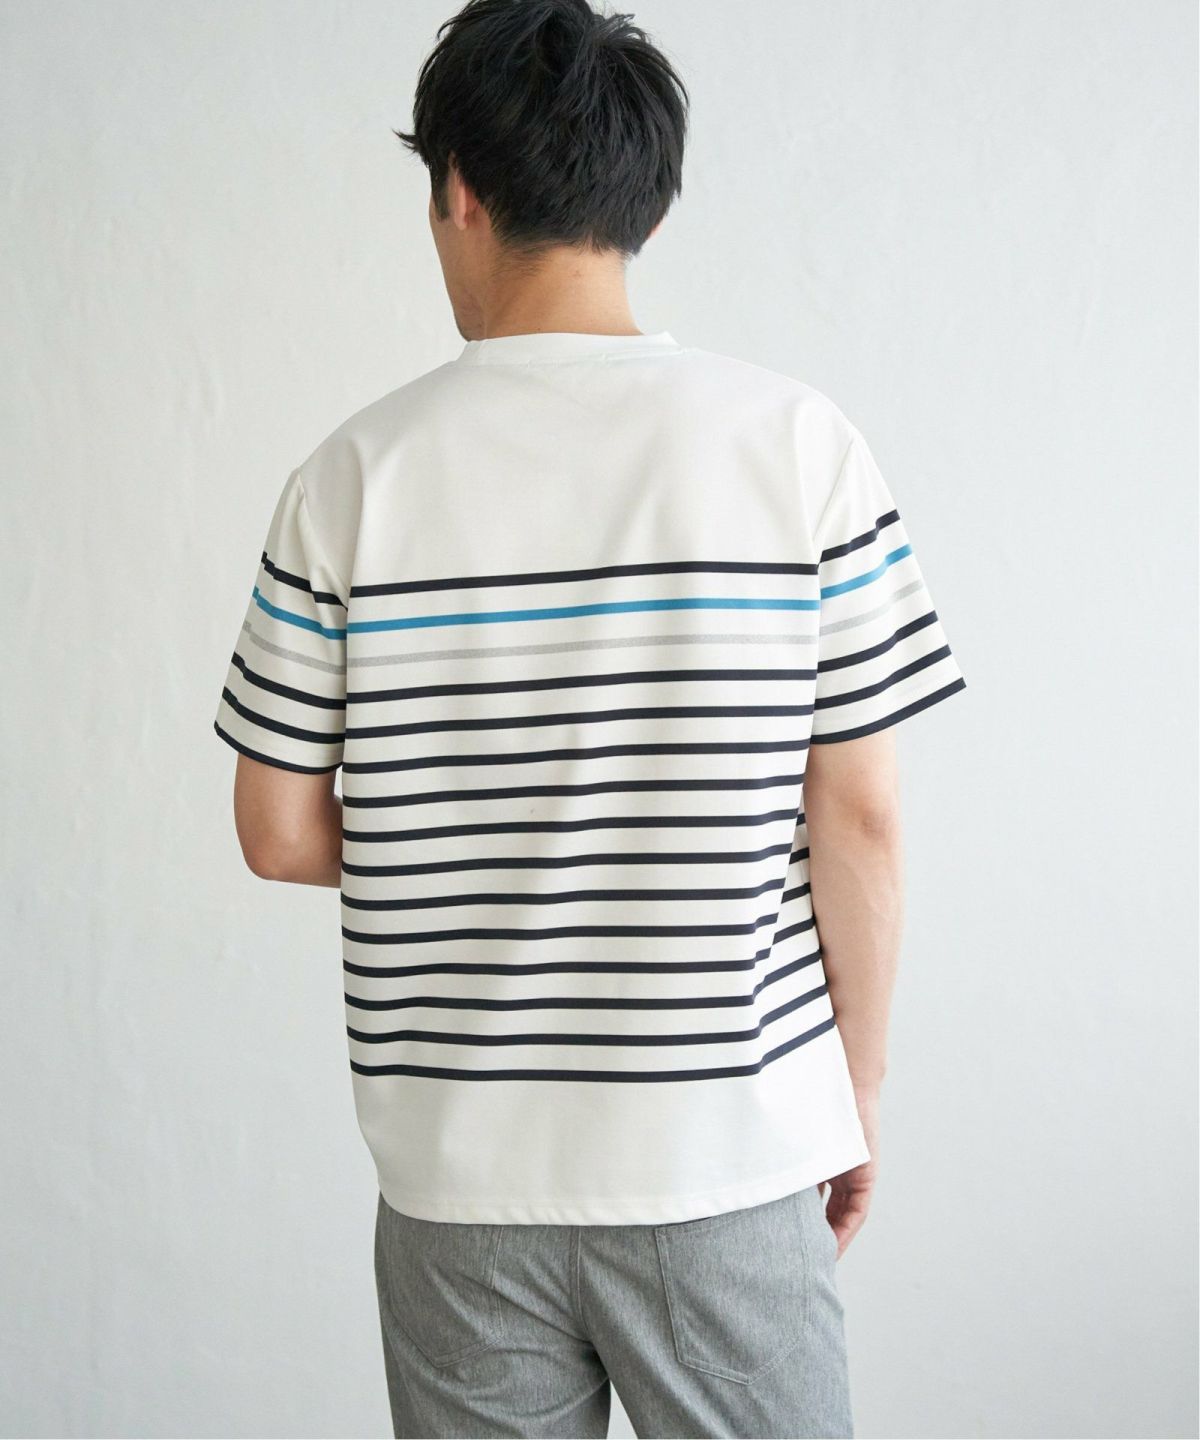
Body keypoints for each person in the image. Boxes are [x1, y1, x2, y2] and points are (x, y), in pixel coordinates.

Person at [212, 1, 967, 1434]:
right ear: (647, 207)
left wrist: (468, 828)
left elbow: (276, 831)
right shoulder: (797, 447)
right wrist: (852, 1091)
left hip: (459, 1181)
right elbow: (859, 816)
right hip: (727, 1147)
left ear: (457, 191)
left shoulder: (349, 478)